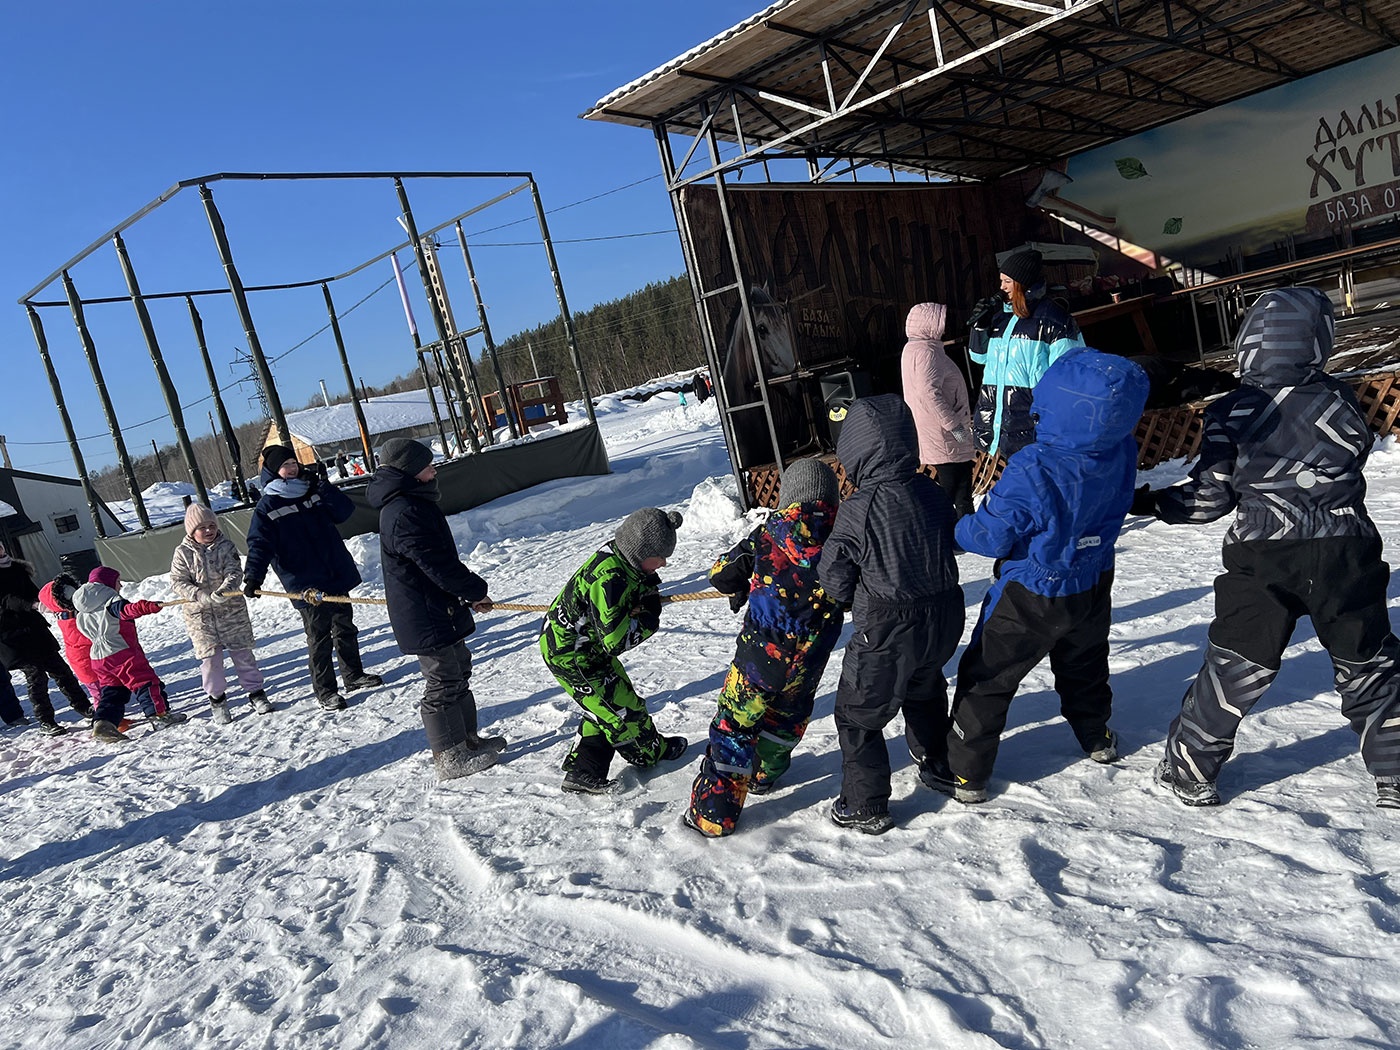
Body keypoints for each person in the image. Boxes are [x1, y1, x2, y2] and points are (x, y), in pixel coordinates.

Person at [1133, 288, 1400, 809]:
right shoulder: (1341, 398)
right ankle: (1395, 769)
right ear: (1317, 341)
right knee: (1367, 658)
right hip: (1344, 547)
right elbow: (1354, 453)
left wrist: (1153, 504)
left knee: (1237, 661)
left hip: (1263, 553)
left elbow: (1210, 498)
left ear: (1250, 341)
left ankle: (1190, 768)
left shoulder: (1232, 410)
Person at [946, 349, 1149, 804]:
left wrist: (956, 529)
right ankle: (1096, 735)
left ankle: (967, 772)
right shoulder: (1121, 450)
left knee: (988, 674)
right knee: (1085, 664)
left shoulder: (1034, 466)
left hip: (1032, 590)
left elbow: (994, 537)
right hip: (1093, 580)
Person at [819, 395, 963, 834]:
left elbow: (835, 575)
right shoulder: (933, 491)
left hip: (887, 627)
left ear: (855, 450)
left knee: (858, 712)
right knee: (924, 688)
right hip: (942, 620)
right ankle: (939, 762)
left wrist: (844, 595)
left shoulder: (860, 507)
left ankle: (865, 804)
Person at [684, 458, 845, 837]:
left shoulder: (768, 533)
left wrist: (747, 579)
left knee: (734, 727)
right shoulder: (845, 539)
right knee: (787, 720)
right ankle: (762, 775)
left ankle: (714, 815)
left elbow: (720, 574)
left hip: (760, 660)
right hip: (809, 661)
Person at [367, 438, 506, 781]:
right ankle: (449, 755)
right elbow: (437, 565)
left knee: (459, 669)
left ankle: (467, 740)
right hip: (424, 613)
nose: (434, 469)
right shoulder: (402, 512)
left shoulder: (414, 501)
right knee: (442, 680)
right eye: (426, 464)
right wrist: (474, 590)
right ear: (408, 471)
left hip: (441, 606)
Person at [540, 507, 689, 794]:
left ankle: (583, 770)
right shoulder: (610, 580)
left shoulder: (620, 559)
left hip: (586, 649)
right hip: (574, 656)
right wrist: (647, 618)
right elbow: (616, 640)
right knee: (622, 711)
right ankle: (649, 754)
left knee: (608, 703)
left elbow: (630, 587)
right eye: (661, 558)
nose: (665, 564)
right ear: (641, 553)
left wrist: (646, 589)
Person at [243, 444, 383, 711]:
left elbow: (343, 512)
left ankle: (353, 675)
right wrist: (253, 577)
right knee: (319, 637)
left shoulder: (312, 491)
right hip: (305, 583)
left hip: (334, 572)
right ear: (273, 472)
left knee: (345, 627)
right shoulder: (268, 506)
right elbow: (259, 544)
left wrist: (323, 486)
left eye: (294, 463)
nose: (293, 468)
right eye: (286, 465)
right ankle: (326, 690)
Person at [969, 249, 1082, 459]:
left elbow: (1069, 374)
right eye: (1001, 281)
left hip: (1034, 421)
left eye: (1007, 281)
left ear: (1023, 283)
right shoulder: (1000, 318)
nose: (1001, 287)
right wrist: (979, 328)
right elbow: (979, 358)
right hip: (1000, 422)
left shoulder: (1053, 318)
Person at [170, 503, 273, 725]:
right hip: (201, 618)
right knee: (210, 661)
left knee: (243, 655)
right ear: (191, 531)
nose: (208, 531)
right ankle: (217, 699)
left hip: (231, 612)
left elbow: (234, 571)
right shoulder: (182, 553)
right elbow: (178, 581)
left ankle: (256, 693)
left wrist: (224, 590)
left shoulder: (226, 546)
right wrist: (199, 595)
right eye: (202, 527)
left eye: (211, 526)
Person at [72, 566, 182, 742]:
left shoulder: (82, 612)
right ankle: (159, 716)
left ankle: (103, 723)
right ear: (107, 583)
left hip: (98, 657)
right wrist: (146, 606)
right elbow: (127, 611)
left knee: (113, 692)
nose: (121, 585)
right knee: (145, 682)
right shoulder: (110, 601)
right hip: (120, 652)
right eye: (117, 581)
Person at [0, 541, 93, 734]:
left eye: (0, 546)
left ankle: (84, 706)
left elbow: (34, 592)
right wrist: (32, 605)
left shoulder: (17, 568)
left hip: (35, 630)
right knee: (36, 676)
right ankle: (46, 721)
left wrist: (49, 600)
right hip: (11, 635)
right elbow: (6, 599)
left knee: (61, 670)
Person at [901, 302, 975, 518]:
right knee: (957, 489)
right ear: (928, 324)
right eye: (940, 321)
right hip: (945, 432)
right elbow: (929, 394)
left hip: (935, 430)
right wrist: (955, 427)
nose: (944, 326)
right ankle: (957, 536)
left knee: (959, 488)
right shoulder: (927, 352)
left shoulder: (915, 349)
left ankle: (965, 535)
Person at [38, 572, 102, 710]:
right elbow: (86, 638)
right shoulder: (72, 621)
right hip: (86, 662)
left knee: (102, 692)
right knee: (99, 696)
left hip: (87, 660)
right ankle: (106, 721)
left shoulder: (69, 616)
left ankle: (109, 717)